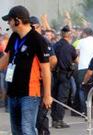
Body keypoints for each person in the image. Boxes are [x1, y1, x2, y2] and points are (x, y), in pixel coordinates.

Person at [0, 5, 52, 135]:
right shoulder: (14, 37)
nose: (8, 23)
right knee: (16, 131)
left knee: (27, 129)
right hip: (13, 92)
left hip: (29, 93)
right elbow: (6, 59)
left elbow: (46, 70)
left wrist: (47, 95)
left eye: (10, 20)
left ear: (18, 21)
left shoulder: (38, 40)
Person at [30, 16, 57, 135]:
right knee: (35, 114)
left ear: (37, 27)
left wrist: (44, 69)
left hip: (43, 80)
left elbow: (53, 60)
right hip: (33, 82)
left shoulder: (43, 40)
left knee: (41, 113)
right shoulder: (29, 40)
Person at [51, 25, 78, 128]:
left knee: (54, 97)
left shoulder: (55, 45)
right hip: (65, 75)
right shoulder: (71, 47)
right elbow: (75, 59)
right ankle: (59, 120)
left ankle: (54, 119)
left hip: (55, 74)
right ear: (69, 35)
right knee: (62, 98)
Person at [75, 27, 93, 114]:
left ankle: (84, 111)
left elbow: (76, 53)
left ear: (84, 33)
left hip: (83, 67)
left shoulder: (81, 41)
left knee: (82, 89)